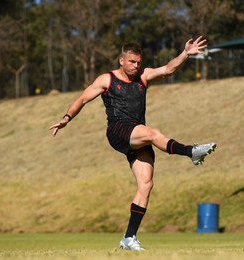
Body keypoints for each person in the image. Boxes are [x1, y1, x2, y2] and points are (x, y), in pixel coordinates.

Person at [49, 36, 217, 251]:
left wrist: (185, 54)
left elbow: (168, 69)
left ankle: (129, 238)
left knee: (146, 184)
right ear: (122, 60)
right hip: (118, 131)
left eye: (138, 62)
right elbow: (82, 99)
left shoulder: (143, 76)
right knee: (153, 133)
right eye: (132, 62)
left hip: (138, 135)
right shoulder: (106, 80)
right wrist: (66, 119)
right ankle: (190, 151)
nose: (136, 66)